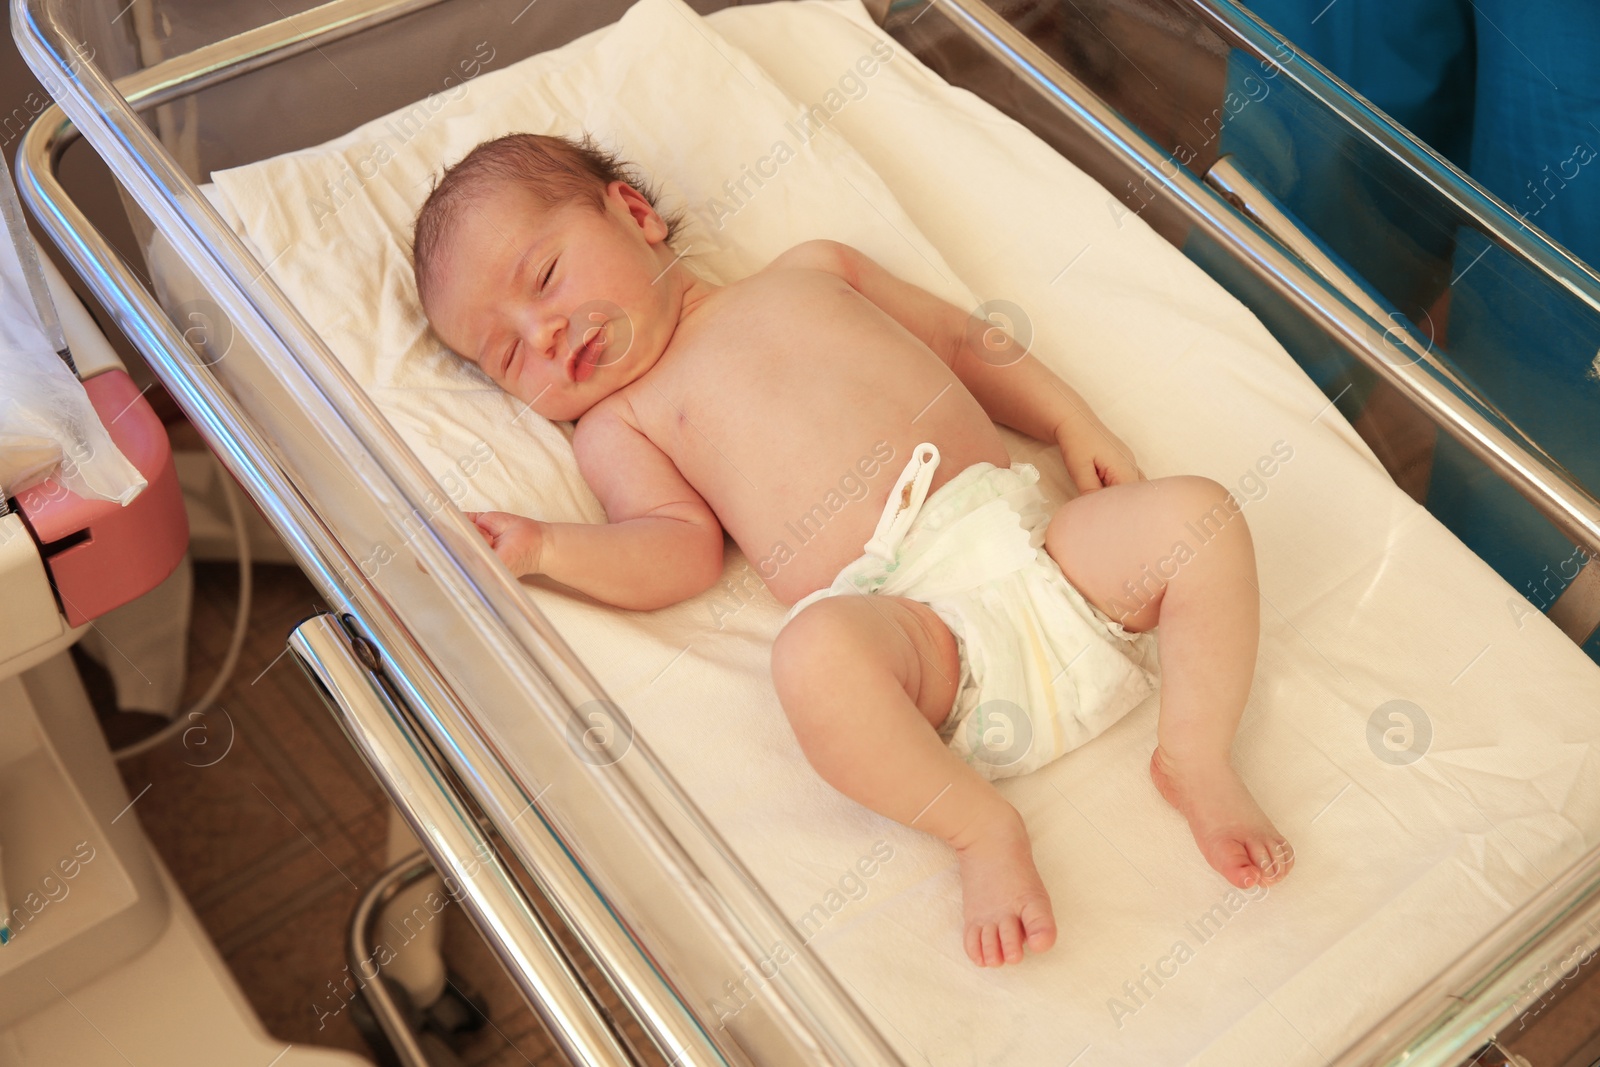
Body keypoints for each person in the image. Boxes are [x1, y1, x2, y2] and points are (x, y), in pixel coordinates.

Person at [411, 133, 1294, 968]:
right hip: (920, 640)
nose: (546, 336)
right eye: (506, 356)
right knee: (815, 655)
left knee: (1200, 515)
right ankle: (979, 828)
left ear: (634, 213)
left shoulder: (815, 270)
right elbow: (675, 549)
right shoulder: (619, 423)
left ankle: (1196, 753)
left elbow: (962, 341)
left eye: (547, 276)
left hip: (1046, 561)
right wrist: (546, 548)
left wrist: (1070, 418)